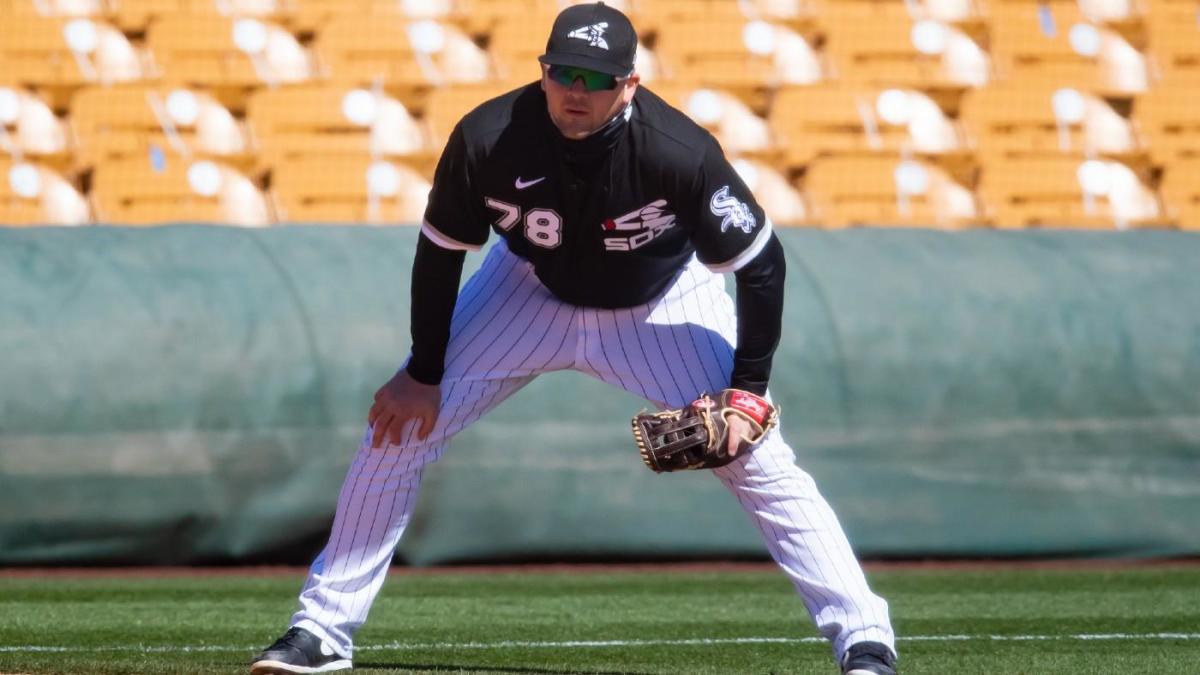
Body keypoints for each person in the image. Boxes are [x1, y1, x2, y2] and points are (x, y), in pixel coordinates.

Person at [250, 3, 897, 674]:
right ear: (543, 71)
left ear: (630, 85)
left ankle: (864, 638)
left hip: (659, 302)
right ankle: (321, 630)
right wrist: (423, 368)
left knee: (757, 457)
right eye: (564, 73)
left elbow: (761, 264)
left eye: (597, 77)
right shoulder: (488, 137)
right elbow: (441, 251)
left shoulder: (678, 151)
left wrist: (749, 392)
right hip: (526, 291)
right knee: (397, 427)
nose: (577, 91)